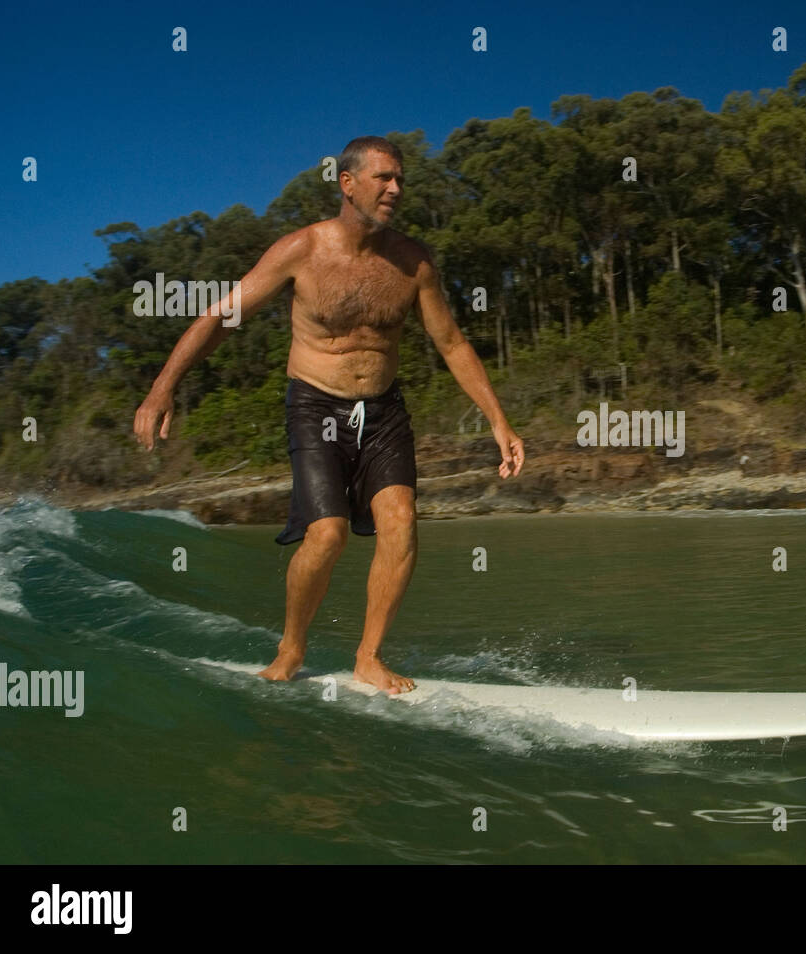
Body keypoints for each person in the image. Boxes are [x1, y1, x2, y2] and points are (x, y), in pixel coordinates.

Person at [133, 136, 524, 694]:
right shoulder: (301, 250)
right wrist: (161, 389)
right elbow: (223, 316)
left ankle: (369, 656)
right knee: (328, 534)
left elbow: (452, 343)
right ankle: (291, 649)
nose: (395, 189)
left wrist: (498, 421)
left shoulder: (414, 262)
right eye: (383, 178)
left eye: (401, 180)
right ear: (347, 182)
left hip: (384, 408)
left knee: (402, 522)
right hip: (316, 403)